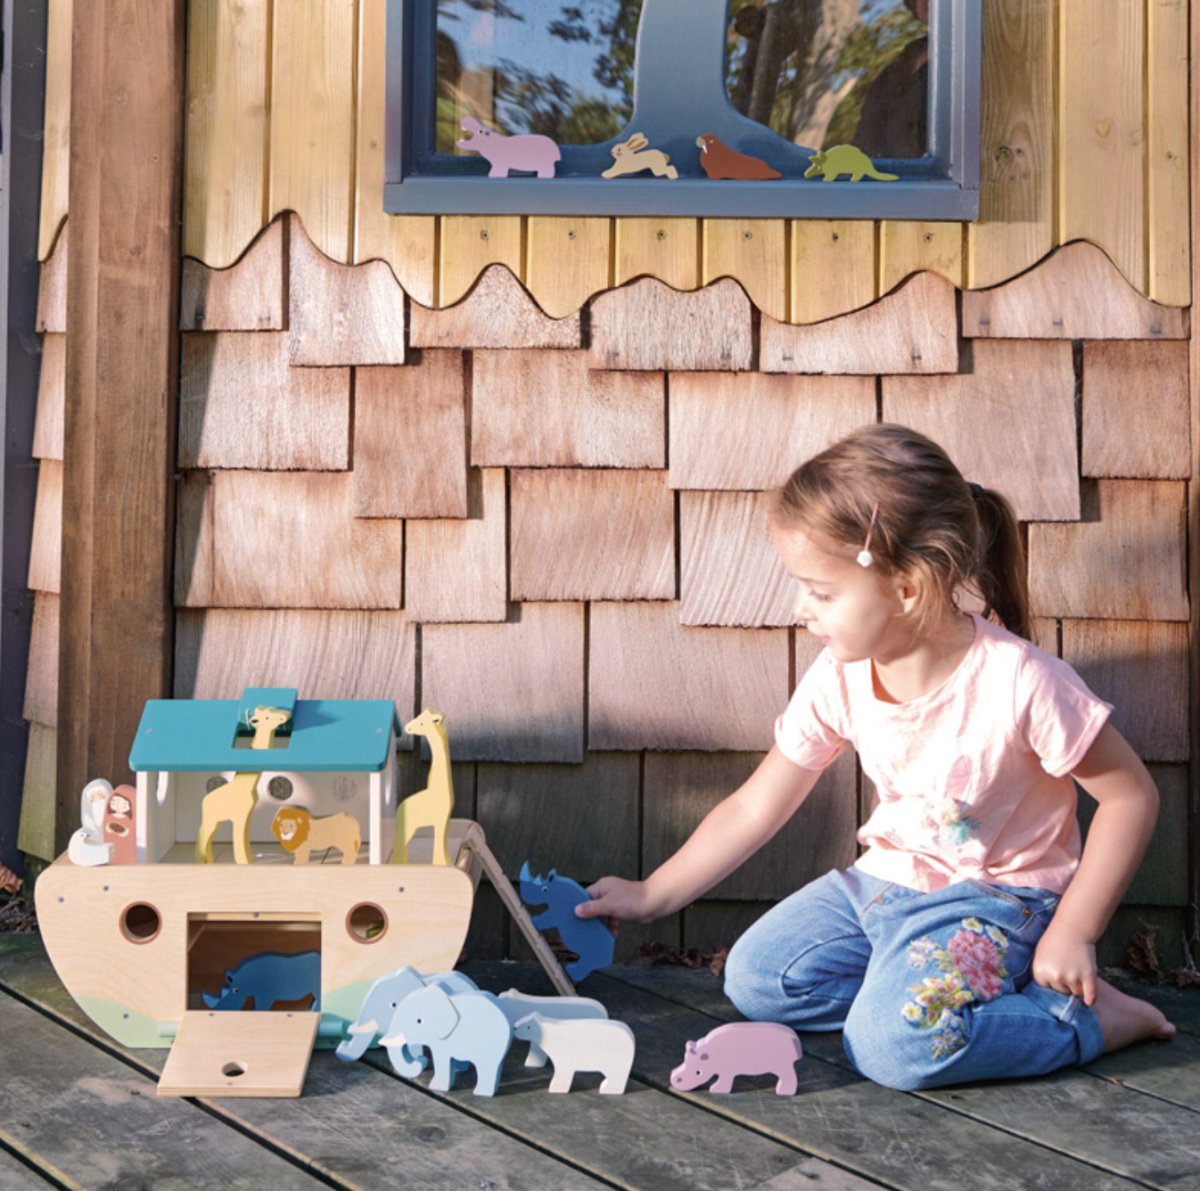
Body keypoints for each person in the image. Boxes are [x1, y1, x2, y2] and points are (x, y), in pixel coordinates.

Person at [576, 423, 1174, 1090]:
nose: (802, 609)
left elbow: (1131, 796)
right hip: (884, 884)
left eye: (822, 592)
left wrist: (1074, 931)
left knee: (893, 1049)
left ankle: (1082, 1020)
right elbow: (758, 801)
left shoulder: (1021, 682)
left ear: (907, 587)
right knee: (758, 978)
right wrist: (655, 892)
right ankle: (917, 995)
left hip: (999, 900)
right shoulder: (841, 674)